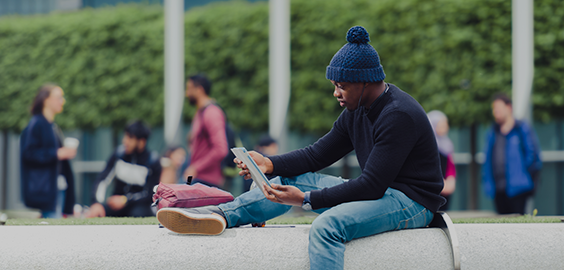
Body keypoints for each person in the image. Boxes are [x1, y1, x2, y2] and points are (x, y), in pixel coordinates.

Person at [156, 26, 445, 270]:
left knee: (328, 227)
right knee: (284, 181)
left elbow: (371, 186)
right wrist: (269, 164)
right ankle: (220, 215)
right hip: (380, 193)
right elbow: (317, 155)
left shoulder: (398, 115)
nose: (336, 93)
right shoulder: (357, 109)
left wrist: (306, 199)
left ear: (365, 82)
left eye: (341, 86)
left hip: (412, 202)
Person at [20, 83, 77, 218]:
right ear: (46, 100)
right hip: (45, 190)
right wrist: (57, 153)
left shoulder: (51, 126)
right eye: (58, 97)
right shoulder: (36, 124)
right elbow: (28, 153)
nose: (62, 101)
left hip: (56, 188)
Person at [86, 120, 161, 217]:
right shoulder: (119, 154)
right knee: (98, 212)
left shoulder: (152, 161)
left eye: (130, 138)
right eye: (125, 136)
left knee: (137, 214)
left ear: (142, 142)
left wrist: (125, 200)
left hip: (139, 207)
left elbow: (150, 194)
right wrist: (96, 203)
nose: (125, 141)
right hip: (115, 205)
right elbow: (102, 179)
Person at [482, 93, 542, 215]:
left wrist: (524, 175)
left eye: (498, 109)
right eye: (494, 109)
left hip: (518, 188)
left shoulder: (521, 128)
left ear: (509, 108)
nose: (495, 112)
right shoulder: (493, 131)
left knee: (518, 223)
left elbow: (533, 156)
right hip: (498, 188)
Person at [183, 74, 228, 188]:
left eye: (189, 89)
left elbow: (221, 149)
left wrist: (195, 167)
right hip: (198, 179)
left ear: (199, 90)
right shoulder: (201, 112)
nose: (186, 94)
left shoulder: (212, 113)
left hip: (206, 182)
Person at [427, 110, 456, 211]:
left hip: (446, 188)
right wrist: (440, 183)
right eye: (441, 124)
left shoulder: (448, 145)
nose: (445, 127)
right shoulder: (428, 146)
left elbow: (450, 165)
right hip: (433, 187)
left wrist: (450, 181)